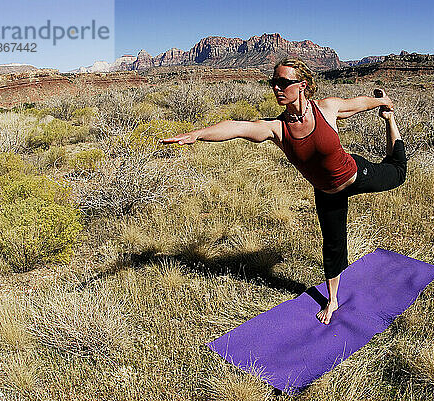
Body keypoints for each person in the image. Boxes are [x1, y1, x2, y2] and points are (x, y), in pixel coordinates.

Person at [160, 58, 406, 325]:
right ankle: (333, 299)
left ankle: (390, 122)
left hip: (356, 175)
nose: (277, 88)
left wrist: (382, 104)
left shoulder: (326, 108)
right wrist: (197, 134)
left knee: (398, 173)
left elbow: (358, 103)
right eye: (273, 82)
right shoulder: (277, 129)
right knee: (333, 245)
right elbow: (237, 126)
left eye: (283, 82)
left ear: (302, 85)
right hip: (326, 192)